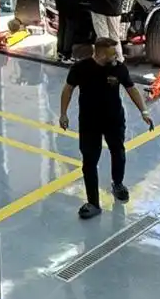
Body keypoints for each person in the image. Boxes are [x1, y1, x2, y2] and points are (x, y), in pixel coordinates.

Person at [60, 36, 154, 219]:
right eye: (113, 54)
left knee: (118, 152)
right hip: (89, 122)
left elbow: (131, 88)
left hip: (114, 120)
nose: (116, 57)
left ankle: (118, 184)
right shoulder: (80, 68)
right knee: (89, 161)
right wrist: (63, 114)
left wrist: (144, 112)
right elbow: (68, 89)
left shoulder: (118, 68)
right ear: (101, 54)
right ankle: (93, 203)